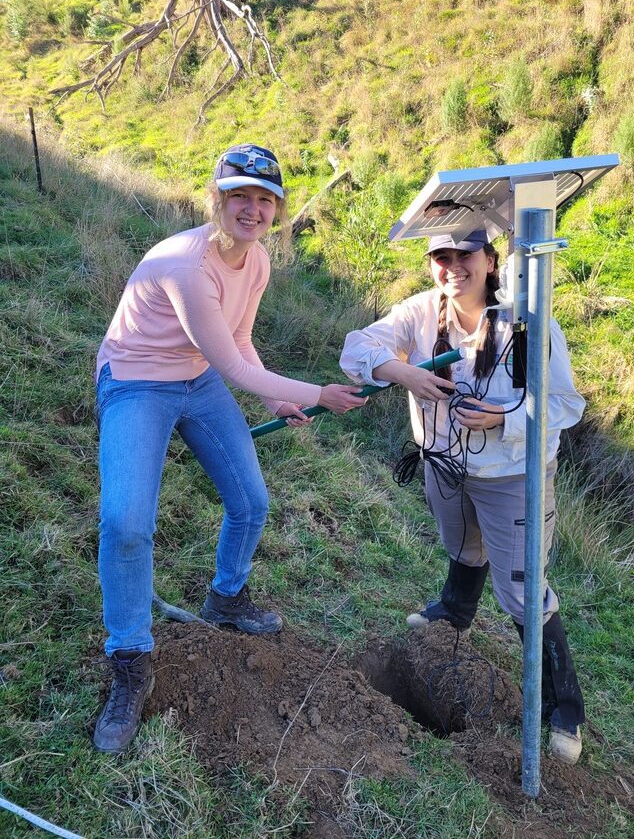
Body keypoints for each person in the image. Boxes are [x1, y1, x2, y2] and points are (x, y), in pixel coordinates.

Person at [93, 143, 366, 754]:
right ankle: (131, 660)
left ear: (277, 210)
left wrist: (276, 399)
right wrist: (315, 391)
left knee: (250, 502)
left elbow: (239, 342)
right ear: (216, 198)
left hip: (199, 377)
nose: (252, 208)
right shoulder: (188, 265)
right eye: (239, 194)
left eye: (264, 199)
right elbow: (236, 367)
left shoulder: (257, 262)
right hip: (138, 380)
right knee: (127, 522)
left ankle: (225, 596)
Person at [340, 229, 586, 765]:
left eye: (464, 255)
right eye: (440, 257)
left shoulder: (527, 322)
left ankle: (563, 706)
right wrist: (402, 371)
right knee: (461, 543)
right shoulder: (422, 313)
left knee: (523, 586)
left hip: (511, 475)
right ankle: (455, 609)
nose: (453, 267)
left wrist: (504, 417)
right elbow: (357, 347)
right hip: (446, 465)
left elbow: (566, 404)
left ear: (491, 260)